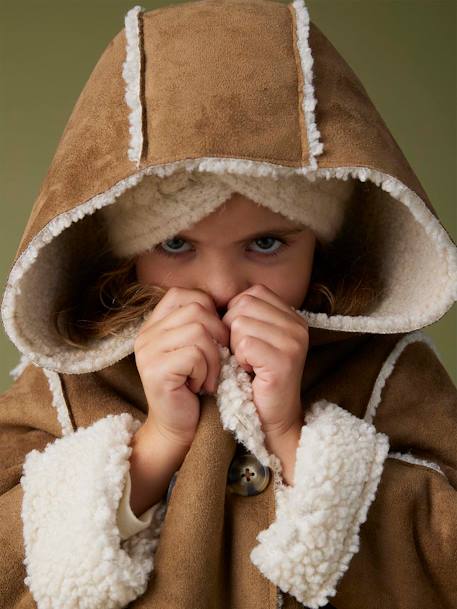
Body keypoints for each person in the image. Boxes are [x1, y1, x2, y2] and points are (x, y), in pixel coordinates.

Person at [0, 1, 456, 608]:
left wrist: (293, 435)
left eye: (266, 243)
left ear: (318, 242)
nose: (221, 285)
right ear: (127, 250)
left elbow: (442, 558)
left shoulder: (386, 371)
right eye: (175, 243)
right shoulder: (67, 379)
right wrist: (155, 444)